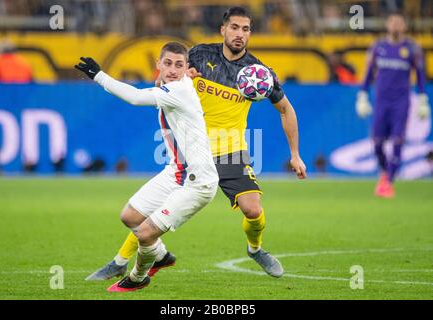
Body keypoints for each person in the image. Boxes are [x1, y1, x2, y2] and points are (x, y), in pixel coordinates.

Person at [87, 6, 306, 281]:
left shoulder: (258, 73)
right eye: (235, 27)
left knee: (253, 209)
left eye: (246, 29)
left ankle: (255, 249)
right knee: (155, 213)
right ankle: (120, 260)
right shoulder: (200, 56)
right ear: (223, 29)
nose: (240, 34)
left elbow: (286, 110)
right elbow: (166, 80)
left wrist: (295, 155)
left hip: (231, 150)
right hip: (194, 150)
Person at [75, 42, 219, 291]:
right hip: (177, 173)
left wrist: (98, 75)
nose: (173, 69)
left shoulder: (178, 91)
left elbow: (134, 98)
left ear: (187, 68)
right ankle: (162, 256)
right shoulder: (174, 85)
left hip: (198, 182)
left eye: (179, 65)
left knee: (144, 234)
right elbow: (163, 87)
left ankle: (137, 278)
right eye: (168, 63)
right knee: (129, 216)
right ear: (158, 64)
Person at [356, 13, 431, 198]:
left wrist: (423, 99)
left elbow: (420, 76)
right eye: (393, 22)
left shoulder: (412, 49)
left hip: (401, 102)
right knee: (377, 142)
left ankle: (388, 182)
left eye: (399, 22)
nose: (396, 25)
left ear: (404, 26)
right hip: (381, 101)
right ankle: (384, 172)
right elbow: (368, 73)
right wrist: (362, 95)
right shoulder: (378, 47)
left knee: (398, 140)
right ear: (387, 25)